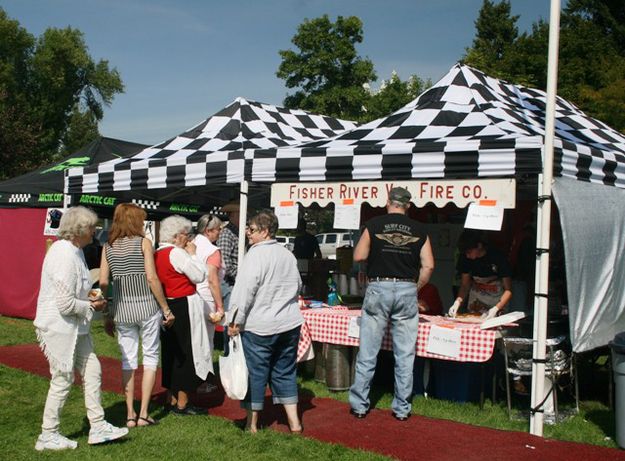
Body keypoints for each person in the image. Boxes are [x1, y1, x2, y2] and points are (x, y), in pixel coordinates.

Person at [33, 206, 128, 451]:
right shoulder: (64, 254)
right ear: (80, 230)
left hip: (75, 327)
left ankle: (97, 426)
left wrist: (93, 298)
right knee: (63, 378)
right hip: (59, 326)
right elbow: (65, 304)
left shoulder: (74, 252)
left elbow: (79, 290)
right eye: (91, 227)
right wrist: (92, 304)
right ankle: (48, 434)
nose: (95, 231)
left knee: (93, 370)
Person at [348, 187, 435, 421]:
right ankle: (402, 408)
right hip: (407, 288)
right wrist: (414, 288)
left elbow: (358, 256)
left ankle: (359, 405)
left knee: (368, 351)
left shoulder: (374, 224)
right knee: (405, 354)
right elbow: (428, 266)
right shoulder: (420, 230)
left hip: (379, 287)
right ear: (408, 206)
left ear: (388, 203)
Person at [98, 203, 174, 427]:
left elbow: (103, 282)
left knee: (127, 360)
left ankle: (129, 413)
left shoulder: (107, 246)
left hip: (122, 310)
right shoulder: (144, 243)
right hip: (147, 308)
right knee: (150, 358)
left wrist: (106, 314)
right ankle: (143, 414)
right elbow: (152, 278)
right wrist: (166, 308)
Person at [228, 210, 304, 434]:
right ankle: (295, 423)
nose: (247, 233)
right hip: (289, 322)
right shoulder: (287, 254)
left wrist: (234, 321)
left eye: (251, 229)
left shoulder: (255, 255)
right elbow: (297, 285)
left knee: (256, 373)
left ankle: (251, 424)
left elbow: (244, 292)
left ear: (264, 231)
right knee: (285, 371)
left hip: (260, 325)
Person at [155, 215, 208, 415]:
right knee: (186, 351)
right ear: (177, 236)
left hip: (167, 304)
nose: (189, 239)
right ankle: (183, 402)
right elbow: (199, 275)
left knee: (170, 352)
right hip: (184, 304)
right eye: (186, 235)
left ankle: (171, 397)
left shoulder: (157, 253)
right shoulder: (177, 253)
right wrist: (193, 255)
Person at [447, 230, 513, 320]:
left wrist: (496, 308)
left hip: (497, 299)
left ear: (479, 246)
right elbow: (465, 285)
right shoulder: (465, 258)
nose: (467, 255)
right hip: (476, 300)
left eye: (469, 252)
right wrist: (457, 302)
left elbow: (508, 290)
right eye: (465, 253)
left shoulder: (497, 257)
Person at [194, 213, 227, 392]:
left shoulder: (190, 244)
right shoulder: (212, 251)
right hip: (206, 297)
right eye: (218, 229)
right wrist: (220, 306)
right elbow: (213, 280)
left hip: (190, 295)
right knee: (206, 342)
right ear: (209, 231)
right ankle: (203, 381)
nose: (220, 232)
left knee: (194, 341)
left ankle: (195, 379)